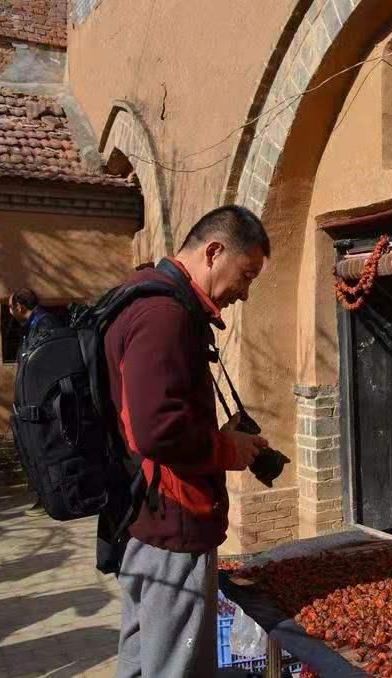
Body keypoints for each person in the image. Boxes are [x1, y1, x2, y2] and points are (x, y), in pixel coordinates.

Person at [108, 205, 271, 677]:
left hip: (146, 511)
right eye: (246, 274)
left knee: (142, 655)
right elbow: (158, 429)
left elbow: (153, 417)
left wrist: (219, 435)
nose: (245, 291)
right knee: (176, 665)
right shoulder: (164, 315)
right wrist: (228, 450)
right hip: (173, 517)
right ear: (214, 251)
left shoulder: (141, 295)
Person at [8, 287, 65, 516]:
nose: (10, 312)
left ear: (20, 307)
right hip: (33, 401)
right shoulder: (32, 326)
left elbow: (48, 364)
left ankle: (51, 497)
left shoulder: (45, 325)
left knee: (45, 450)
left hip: (43, 403)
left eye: (11, 307)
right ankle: (45, 495)